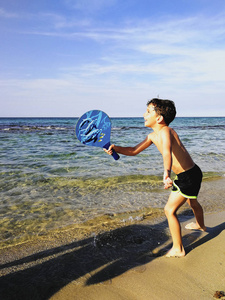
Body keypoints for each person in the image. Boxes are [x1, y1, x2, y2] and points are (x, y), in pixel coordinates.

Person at [104, 98, 206, 257]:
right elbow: (133, 150)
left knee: (169, 210)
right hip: (192, 173)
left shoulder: (166, 131)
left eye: (148, 111)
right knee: (192, 201)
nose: (144, 114)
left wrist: (166, 173)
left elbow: (167, 151)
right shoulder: (152, 136)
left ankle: (178, 249)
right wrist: (115, 147)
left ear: (159, 118)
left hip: (188, 176)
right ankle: (200, 226)